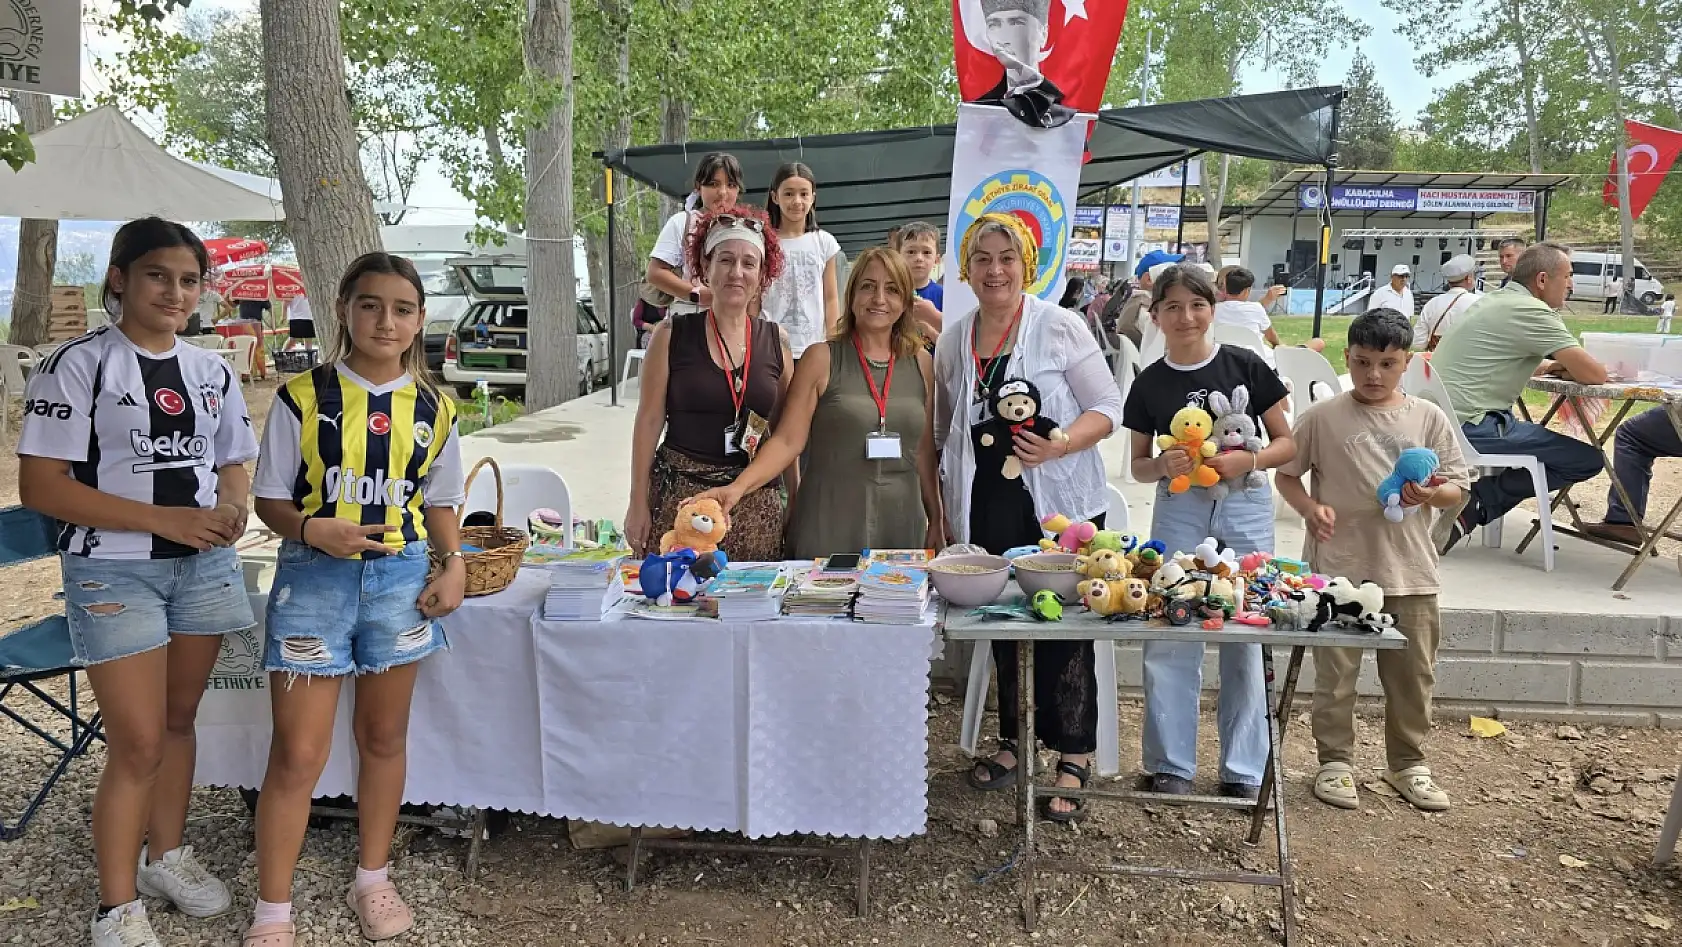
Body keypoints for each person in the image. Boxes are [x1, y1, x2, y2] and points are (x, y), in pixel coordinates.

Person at [17, 218, 257, 947]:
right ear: (119, 277)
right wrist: (169, 519)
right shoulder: (76, 364)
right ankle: (115, 907)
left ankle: (166, 856)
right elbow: (40, 487)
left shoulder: (212, 370)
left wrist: (232, 507)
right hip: (113, 572)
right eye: (158, 275)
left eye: (189, 280)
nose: (176, 292)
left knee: (180, 723)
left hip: (203, 569)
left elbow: (235, 459)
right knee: (138, 742)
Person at [243, 253, 466, 947]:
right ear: (344, 309)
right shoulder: (302, 397)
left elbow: (443, 500)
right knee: (298, 752)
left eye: (402, 308)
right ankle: (272, 911)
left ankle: (373, 875)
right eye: (370, 305)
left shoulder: (437, 406)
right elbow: (269, 498)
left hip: (399, 584)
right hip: (313, 579)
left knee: (382, 737)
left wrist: (453, 562)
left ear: (420, 320)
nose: (386, 320)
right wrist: (314, 528)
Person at [935, 212, 1122, 821]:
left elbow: (1107, 404)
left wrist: (1062, 442)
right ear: (967, 267)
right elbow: (945, 429)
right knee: (1005, 625)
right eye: (983, 258)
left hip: (1057, 506)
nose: (995, 270)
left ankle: (1073, 752)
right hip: (984, 505)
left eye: (1007, 258)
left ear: (1028, 265)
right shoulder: (954, 337)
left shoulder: (1060, 326)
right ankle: (1018, 742)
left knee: (1063, 632)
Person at [1275, 309, 1471, 813]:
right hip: (1337, 569)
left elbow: (1457, 487)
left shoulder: (1427, 417)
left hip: (1410, 570)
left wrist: (1429, 495)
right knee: (1335, 675)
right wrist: (1309, 509)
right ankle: (1334, 763)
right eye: (1363, 362)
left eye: (1388, 363)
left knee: (1413, 675)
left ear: (1408, 361)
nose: (1374, 375)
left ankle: (1409, 764)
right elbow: (1287, 475)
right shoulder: (1322, 417)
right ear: (1347, 358)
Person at [1123, 264, 1294, 800]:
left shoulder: (1245, 365)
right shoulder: (1149, 382)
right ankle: (1170, 764)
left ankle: (1244, 768)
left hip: (1244, 504)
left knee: (1247, 626)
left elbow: (1290, 443)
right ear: (1155, 316)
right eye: (1171, 307)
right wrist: (1164, 465)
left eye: (1196, 305)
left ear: (1212, 309)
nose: (1186, 317)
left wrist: (1252, 460)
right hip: (1179, 508)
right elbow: (1137, 466)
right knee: (1172, 622)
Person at [693, 247, 943, 557]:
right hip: (830, 520)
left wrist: (937, 517)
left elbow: (924, 452)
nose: (879, 298)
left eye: (892, 289)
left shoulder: (922, 363)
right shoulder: (820, 358)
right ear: (851, 296)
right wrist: (738, 488)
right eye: (868, 286)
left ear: (906, 301)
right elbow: (787, 441)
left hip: (902, 521)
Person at [626, 207, 795, 561]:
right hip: (681, 502)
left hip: (751, 504)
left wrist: (795, 501)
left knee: (747, 611)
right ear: (705, 267)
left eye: (749, 263)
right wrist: (637, 502)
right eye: (726, 260)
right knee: (676, 605)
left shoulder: (776, 342)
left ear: (762, 274)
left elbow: (784, 434)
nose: (737, 272)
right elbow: (648, 421)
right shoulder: (671, 336)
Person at [1433, 243, 1609, 552]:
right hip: (1472, 426)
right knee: (1586, 460)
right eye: (1567, 275)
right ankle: (1476, 504)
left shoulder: (1498, 300)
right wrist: (1570, 367)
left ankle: (1472, 506)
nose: (1571, 284)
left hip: (1442, 419)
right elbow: (1595, 375)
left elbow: (1504, 353)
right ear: (1542, 280)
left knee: (1545, 447)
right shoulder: (1532, 310)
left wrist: (1560, 366)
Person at [645, 153, 744, 321]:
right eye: (714, 184)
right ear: (698, 186)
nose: (722, 192)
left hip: (732, 322)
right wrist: (696, 294)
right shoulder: (682, 222)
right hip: (690, 319)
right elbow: (655, 273)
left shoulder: (745, 228)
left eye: (731, 184)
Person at [760, 162, 841, 359]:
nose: (797, 201)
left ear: (813, 197)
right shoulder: (763, 240)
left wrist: (834, 341)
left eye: (804, 194)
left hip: (813, 347)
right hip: (770, 345)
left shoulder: (824, 242)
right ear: (774, 197)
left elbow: (830, 297)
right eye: (788, 194)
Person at [968, 0, 1075, 127]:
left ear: (1043, 34)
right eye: (994, 25)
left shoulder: (1067, 118)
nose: (1003, 39)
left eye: (1016, 23)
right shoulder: (979, 114)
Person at [1212, 266, 1285, 363]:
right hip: (1255, 362)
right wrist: (1278, 345)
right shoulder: (1256, 308)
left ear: (1225, 287)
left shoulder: (1213, 310)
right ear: (1247, 290)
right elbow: (1272, 337)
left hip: (1223, 360)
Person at [893, 221, 945, 346]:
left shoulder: (945, 296)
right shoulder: (890, 293)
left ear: (937, 260)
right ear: (898, 256)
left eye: (926, 252)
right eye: (911, 252)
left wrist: (930, 323)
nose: (919, 258)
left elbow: (957, 339)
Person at [1413, 254, 1480, 351]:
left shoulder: (1432, 304)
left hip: (1436, 362)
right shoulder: (1478, 302)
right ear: (1469, 278)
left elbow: (1418, 343)